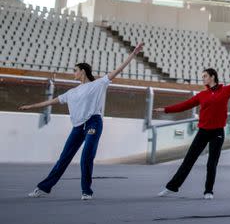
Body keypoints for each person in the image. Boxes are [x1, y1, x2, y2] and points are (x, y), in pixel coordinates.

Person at [21, 43, 144, 200]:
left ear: (83, 72)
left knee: (86, 156)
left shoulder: (97, 84)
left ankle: (86, 191)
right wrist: (31, 106)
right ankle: (43, 188)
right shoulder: (71, 92)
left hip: (93, 122)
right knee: (64, 157)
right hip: (78, 127)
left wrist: (133, 54)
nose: (74, 73)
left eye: (75, 70)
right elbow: (51, 102)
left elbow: (117, 71)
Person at [155, 60, 230, 199]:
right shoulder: (202, 95)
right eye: (202, 77)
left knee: (212, 163)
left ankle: (208, 191)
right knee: (188, 160)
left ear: (212, 76)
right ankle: (172, 187)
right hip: (203, 131)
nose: (203, 79)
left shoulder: (226, 91)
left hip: (217, 132)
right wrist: (166, 110)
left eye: (205, 76)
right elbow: (185, 105)